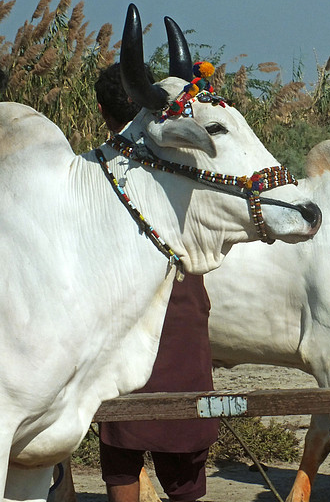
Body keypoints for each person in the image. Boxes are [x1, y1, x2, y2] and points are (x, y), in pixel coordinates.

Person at [94, 63, 220, 502]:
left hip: (120, 322)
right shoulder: (184, 163)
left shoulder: (93, 171)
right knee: (185, 473)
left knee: (121, 456)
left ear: (102, 111)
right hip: (182, 314)